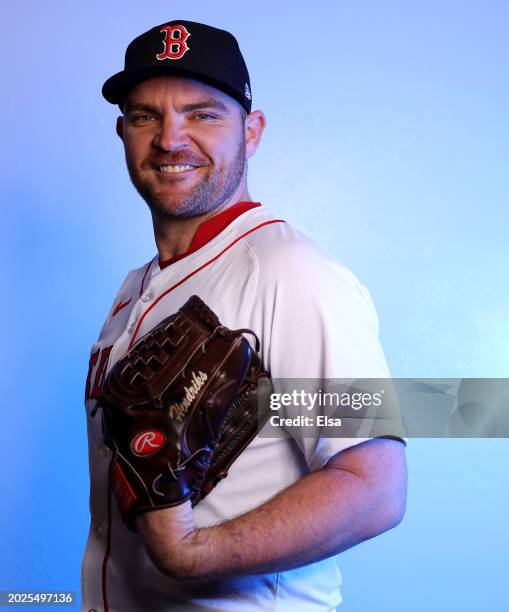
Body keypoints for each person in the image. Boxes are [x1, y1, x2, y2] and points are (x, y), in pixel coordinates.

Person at [83, 19, 407, 611]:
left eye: (203, 114)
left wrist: (189, 551)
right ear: (122, 131)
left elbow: (374, 488)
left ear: (251, 132)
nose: (170, 139)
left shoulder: (292, 275)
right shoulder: (137, 288)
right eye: (145, 115)